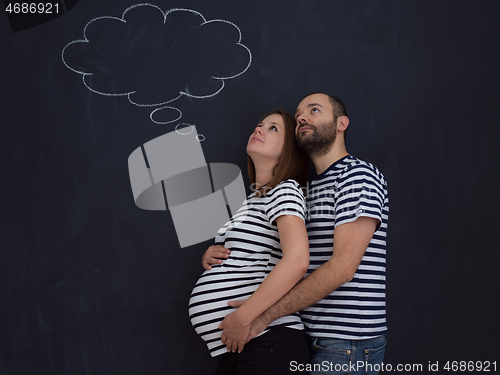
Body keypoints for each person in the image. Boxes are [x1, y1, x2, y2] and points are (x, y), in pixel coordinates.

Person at [215, 93, 389, 375]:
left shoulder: (356, 175)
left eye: (314, 110)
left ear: (341, 123)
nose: (302, 119)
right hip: (312, 334)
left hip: (347, 340)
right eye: (298, 118)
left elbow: (343, 268)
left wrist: (262, 317)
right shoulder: (308, 189)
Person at [188, 109, 311, 374]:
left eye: (273, 128)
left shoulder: (285, 190)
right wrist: (212, 256)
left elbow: (298, 260)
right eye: (259, 125)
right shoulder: (253, 199)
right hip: (244, 345)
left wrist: (243, 318)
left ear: (289, 148)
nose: (259, 129)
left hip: (269, 340)